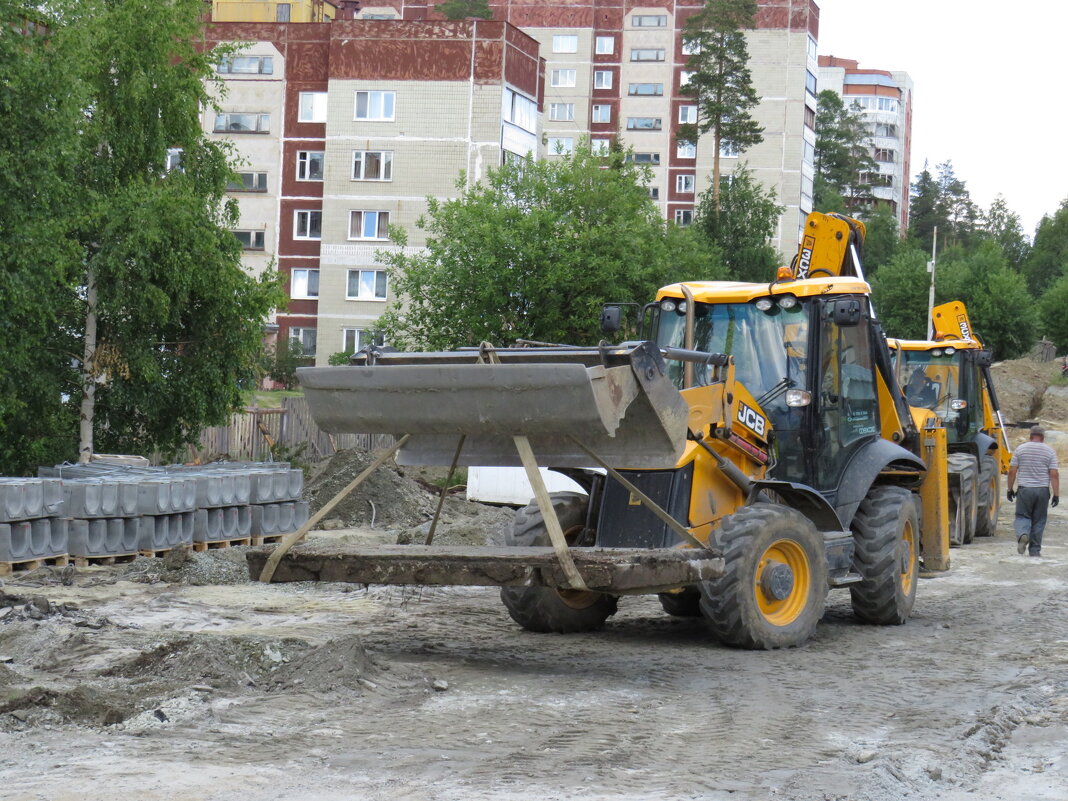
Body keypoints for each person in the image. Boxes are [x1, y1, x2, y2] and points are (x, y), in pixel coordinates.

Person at [1006, 426, 1060, 556]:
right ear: (1043, 437)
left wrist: (1009, 489)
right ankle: (1035, 551)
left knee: (1022, 516)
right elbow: (1054, 474)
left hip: (1025, 489)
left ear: (1030, 436)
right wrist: (1056, 494)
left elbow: (1012, 471)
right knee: (1039, 520)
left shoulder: (1020, 449)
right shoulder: (1050, 451)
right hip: (1042, 490)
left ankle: (1023, 534)